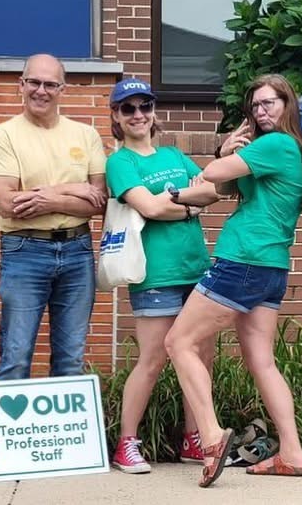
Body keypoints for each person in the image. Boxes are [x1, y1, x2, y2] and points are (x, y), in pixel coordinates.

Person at [165, 74, 302, 488]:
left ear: (288, 104)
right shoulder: (288, 148)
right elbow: (226, 186)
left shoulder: (277, 143)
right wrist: (228, 158)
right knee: (261, 361)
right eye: (256, 106)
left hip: (243, 260)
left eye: (270, 103)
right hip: (271, 266)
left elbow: (213, 173)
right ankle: (292, 453)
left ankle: (211, 436)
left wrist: (224, 149)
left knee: (178, 342)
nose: (261, 112)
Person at [105, 78, 219, 474]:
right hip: (155, 274)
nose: (138, 115)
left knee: (201, 357)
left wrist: (173, 202)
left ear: (154, 112)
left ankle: (195, 438)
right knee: (153, 359)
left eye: (145, 107)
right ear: (116, 116)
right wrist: (187, 204)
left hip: (196, 269)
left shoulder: (172, 153)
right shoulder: (121, 162)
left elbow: (211, 191)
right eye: (128, 108)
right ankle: (127, 443)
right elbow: (148, 209)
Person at [0, 54, 107, 380]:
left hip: (78, 251)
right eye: (34, 82)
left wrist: (48, 196)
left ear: (62, 89)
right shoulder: (4, 135)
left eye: (50, 84)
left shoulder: (86, 135)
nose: (41, 90)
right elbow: (8, 204)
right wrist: (73, 191)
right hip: (24, 251)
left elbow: (99, 202)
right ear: (21, 85)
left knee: (71, 360)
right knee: (15, 357)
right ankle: (11, 416)